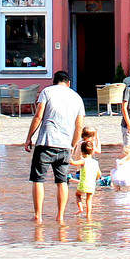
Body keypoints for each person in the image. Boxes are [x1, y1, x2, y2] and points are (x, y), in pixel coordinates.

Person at [24, 69, 86, 224]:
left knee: (38, 180)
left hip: (45, 142)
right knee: (62, 181)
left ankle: (38, 216)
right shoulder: (77, 98)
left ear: (54, 81)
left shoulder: (47, 92)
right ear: (68, 83)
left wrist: (28, 138)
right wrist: (72, 146)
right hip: (64, 146)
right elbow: (79, 127)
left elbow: (38, 116)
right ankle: (60, 216)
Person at [69, 129, 101, 218]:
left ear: (82, 152)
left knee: (78, 195)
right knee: (89, 201)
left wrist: (68, 157)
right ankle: (88, 215)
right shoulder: (95, 162)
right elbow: (99, 174)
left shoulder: (83, 161)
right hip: (91, 186)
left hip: (83, 184)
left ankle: (80, 209)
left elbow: (73, 163)